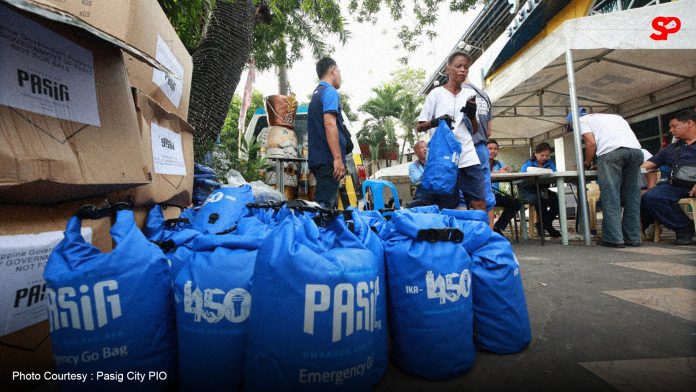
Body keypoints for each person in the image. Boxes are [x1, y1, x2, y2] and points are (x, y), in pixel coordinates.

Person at [416, 51, 485, 211]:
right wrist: (436, 121)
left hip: (467, 155)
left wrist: (472, 115)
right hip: (444, 158)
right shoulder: (436, 94)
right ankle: (449, 234)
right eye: (458, 66)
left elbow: (475, 130)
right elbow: (419, 127)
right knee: (447, 205)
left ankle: (480, 235)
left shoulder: (470, 94)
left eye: (466, 67)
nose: (463, 70)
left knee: (479, 203)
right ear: (448, 69)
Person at [571, 109, 644, 248]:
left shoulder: (581, 120)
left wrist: (587, 162)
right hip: (635, 152)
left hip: (611, 153)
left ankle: (614, 239)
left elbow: (591, 143)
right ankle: (633, 238)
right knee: (632, 197)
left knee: (611, 196)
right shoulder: (615, 117)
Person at [640, 109, 696, 245]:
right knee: (651, 196)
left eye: (674, 126)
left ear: (689, 123)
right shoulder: (672, 148)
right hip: (676, 185)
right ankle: (684, 228)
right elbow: (647, 165)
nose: (671, 130)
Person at [307, 57, 346, 208]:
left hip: (319, 159)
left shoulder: (317, 93)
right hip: (329, 161)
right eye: (339, 71)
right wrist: (337, 158)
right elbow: (330, 124)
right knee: (324, 210)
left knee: (325, 206)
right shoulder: (329, 92)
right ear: (333, 70)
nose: (340, 76)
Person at [461, 73, 496, 223]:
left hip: (464, 148)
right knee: (486, 195)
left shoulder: (458, 94)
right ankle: (488, 239)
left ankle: (464, 239)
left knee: (459, 195)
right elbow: (488, 132)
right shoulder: (484, 96)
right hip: (482, 148)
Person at [520, 142, 562, 238]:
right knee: (541, 200)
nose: (544, 158)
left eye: (547, 155)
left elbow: (555, 173)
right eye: (542, 155)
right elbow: (521, 176)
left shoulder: (549, 163)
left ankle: (542, 224)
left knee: (557, 200)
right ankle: (547, 226)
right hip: (529, 190)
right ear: (535, 154)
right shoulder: (528, 164)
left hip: (543, 189)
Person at [487, 139, 521, 237]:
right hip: (482, 195)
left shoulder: (498, 163)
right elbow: (480, 174)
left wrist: (509, 170)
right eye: (490, 149)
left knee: (516, 202)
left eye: (495, 149)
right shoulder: (479, 162)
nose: (493, 151)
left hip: (495, 195)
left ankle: (498, 227)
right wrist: (496, 173)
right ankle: (487, 230)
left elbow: (507, 170)